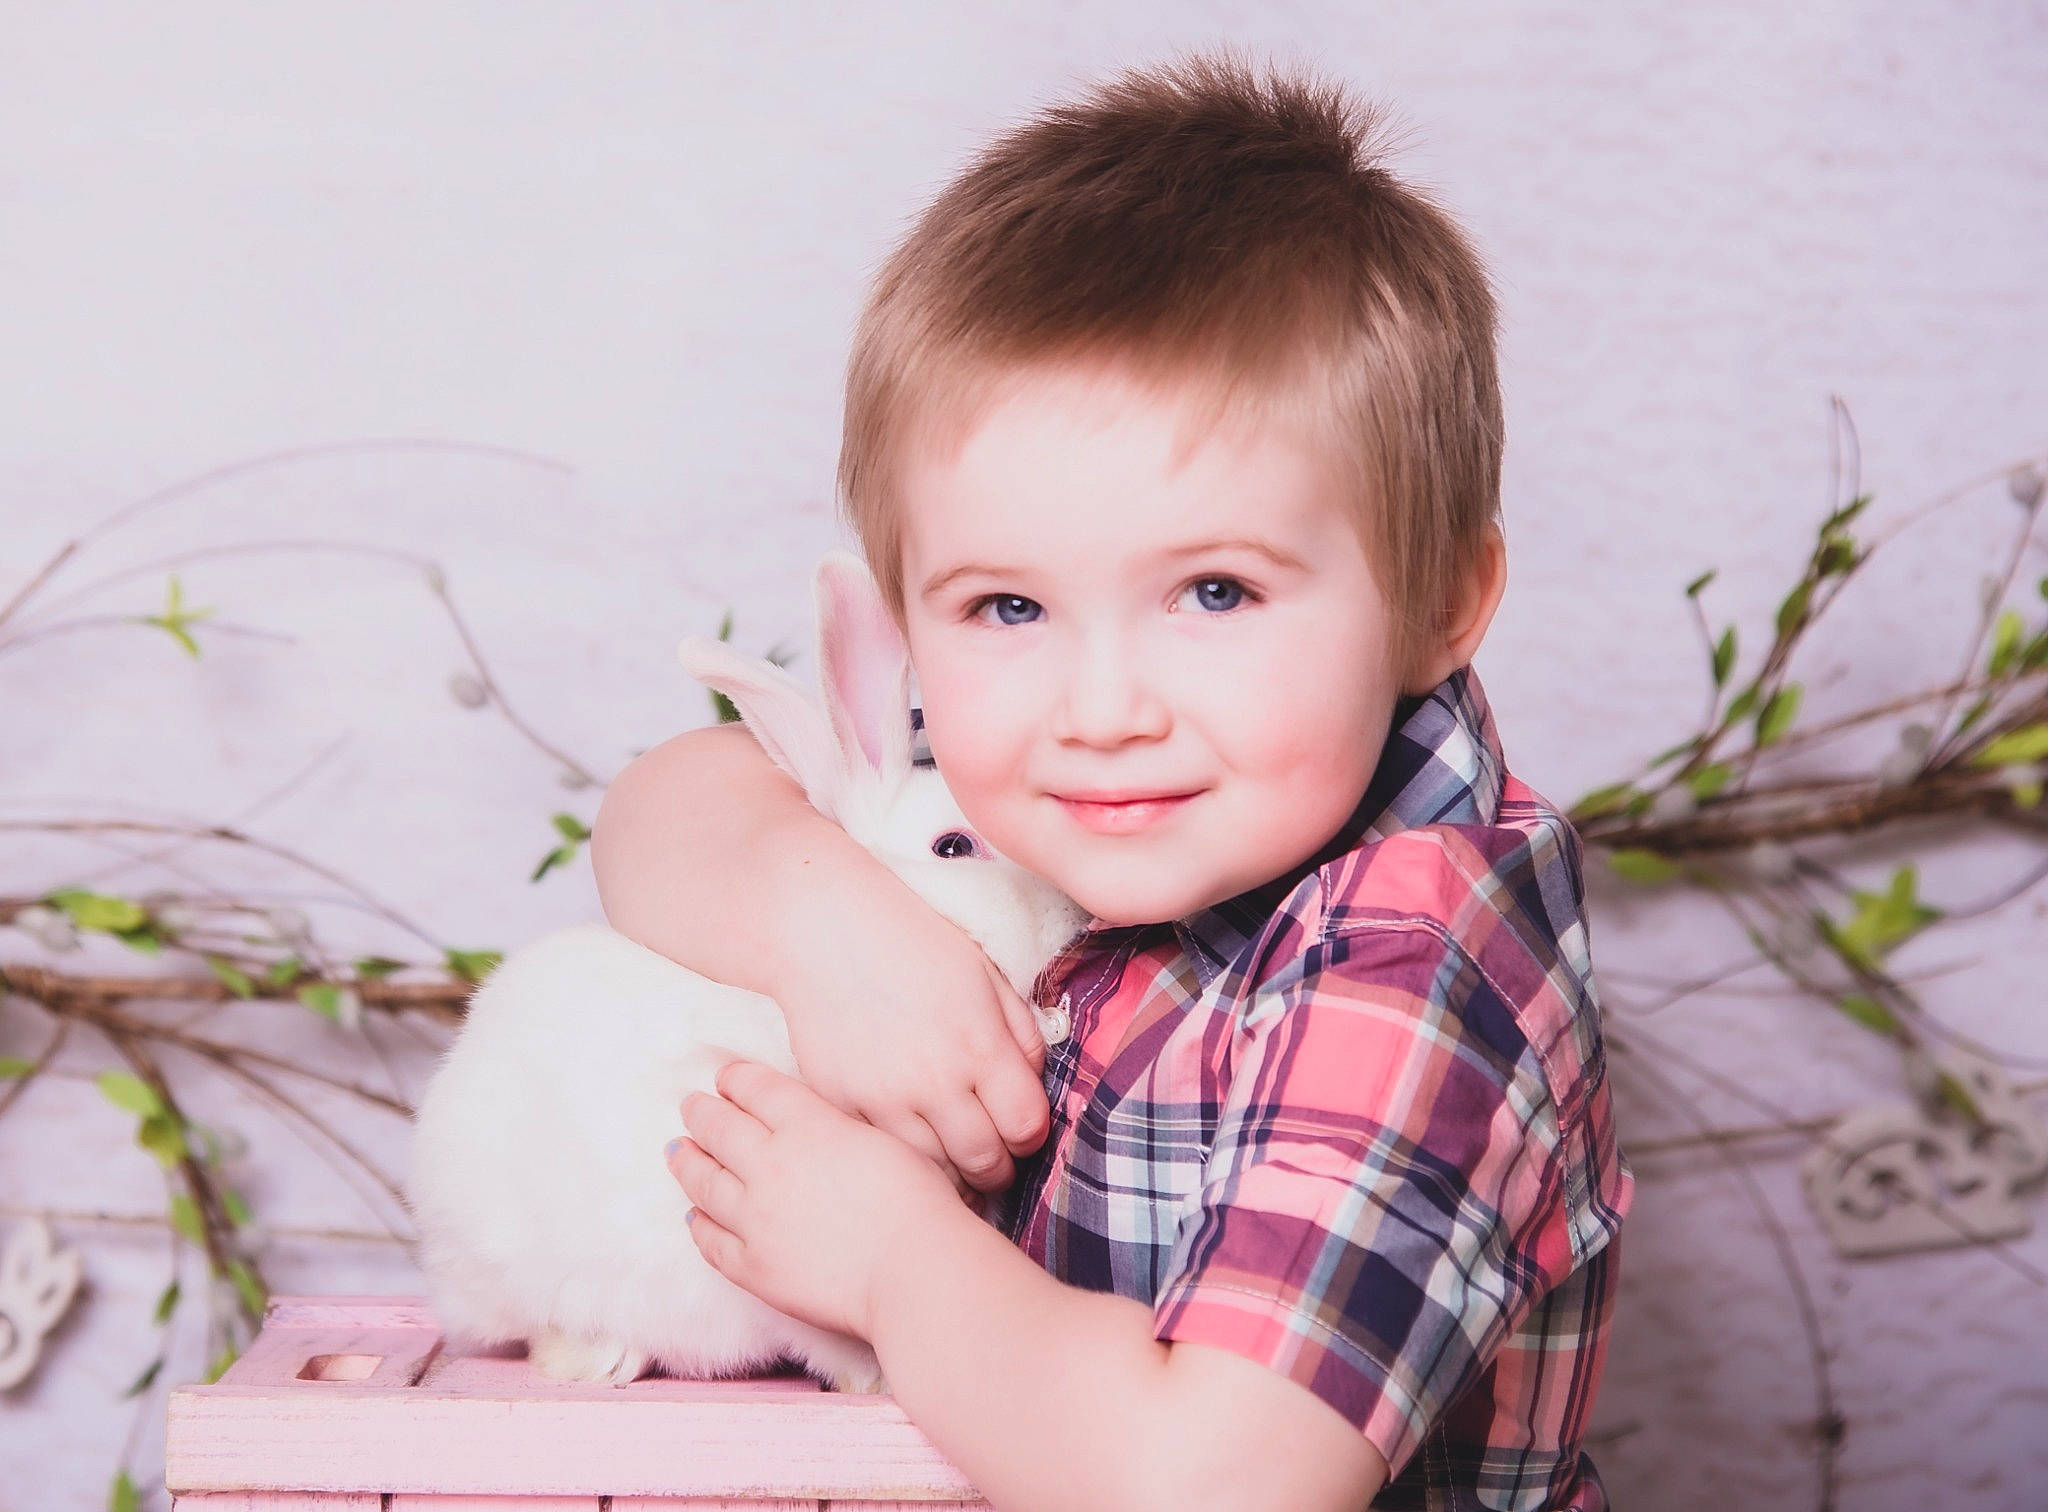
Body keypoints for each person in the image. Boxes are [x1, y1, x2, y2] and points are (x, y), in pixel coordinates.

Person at [592, 50, 1635, 1512]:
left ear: (1439, 600)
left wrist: (890, 1255)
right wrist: (824, 922)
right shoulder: (1134, 804)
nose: (1097, 710)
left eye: (1213, 592)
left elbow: (1213, 1485)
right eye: (1006, 610)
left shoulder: (1415, 961)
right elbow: (662, 802)